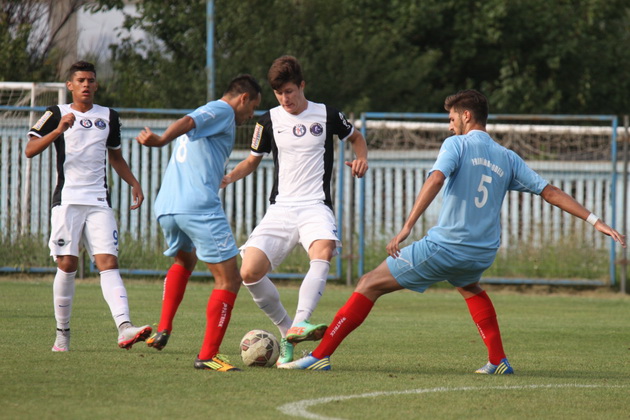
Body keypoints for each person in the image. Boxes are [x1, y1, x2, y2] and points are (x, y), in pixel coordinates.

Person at [279, 89, 627, 372]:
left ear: (466, 116)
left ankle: (320, 355)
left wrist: (406, 227)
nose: (449, 126)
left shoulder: (457, 145)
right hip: (482, 253)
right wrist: (595, 220)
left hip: (447, 247)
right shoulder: (507, 157)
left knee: (368, 283)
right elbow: (549, 191)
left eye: (451, 119)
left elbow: (435, 179)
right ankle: (497, 360)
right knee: (469, 285)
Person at [221, 55, 368, 365]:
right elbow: (252, 160)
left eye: (289, 91)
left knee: (324, 249)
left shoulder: (327, 114)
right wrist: (228, 177)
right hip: (282, 208)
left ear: (302, 85)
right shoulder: (267, 121)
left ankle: (301, 321)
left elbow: (356, 138)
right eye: (278, 93)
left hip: (315, 205)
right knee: (248, 272)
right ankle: (288, 329)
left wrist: (361, 158)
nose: (284, 99)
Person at [135, 74, 262, 372]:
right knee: (230, 279)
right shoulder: (223, 110)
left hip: (168, 206)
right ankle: (208, 356)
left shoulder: (212, 114)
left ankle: (163, 328)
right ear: (243, 98)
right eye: (253, 107)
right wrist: (161, 140)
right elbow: (188, 121)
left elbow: (193, 126)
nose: (251, 115)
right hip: (198, 207)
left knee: (185, 260)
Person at [25, 61, 152, 352]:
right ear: (70, 85)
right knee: (67, 264)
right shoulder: (56, 113)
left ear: (96, 85)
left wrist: (134, 182)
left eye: (91, 80)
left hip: (98, 201)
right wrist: (58, 130)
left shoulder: (109, 116)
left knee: (108, 262)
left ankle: (124, 327)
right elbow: (30, 150)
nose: (86, 85)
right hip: (67, 200)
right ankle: (62, 334)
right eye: (80, 80)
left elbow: (115, 157)